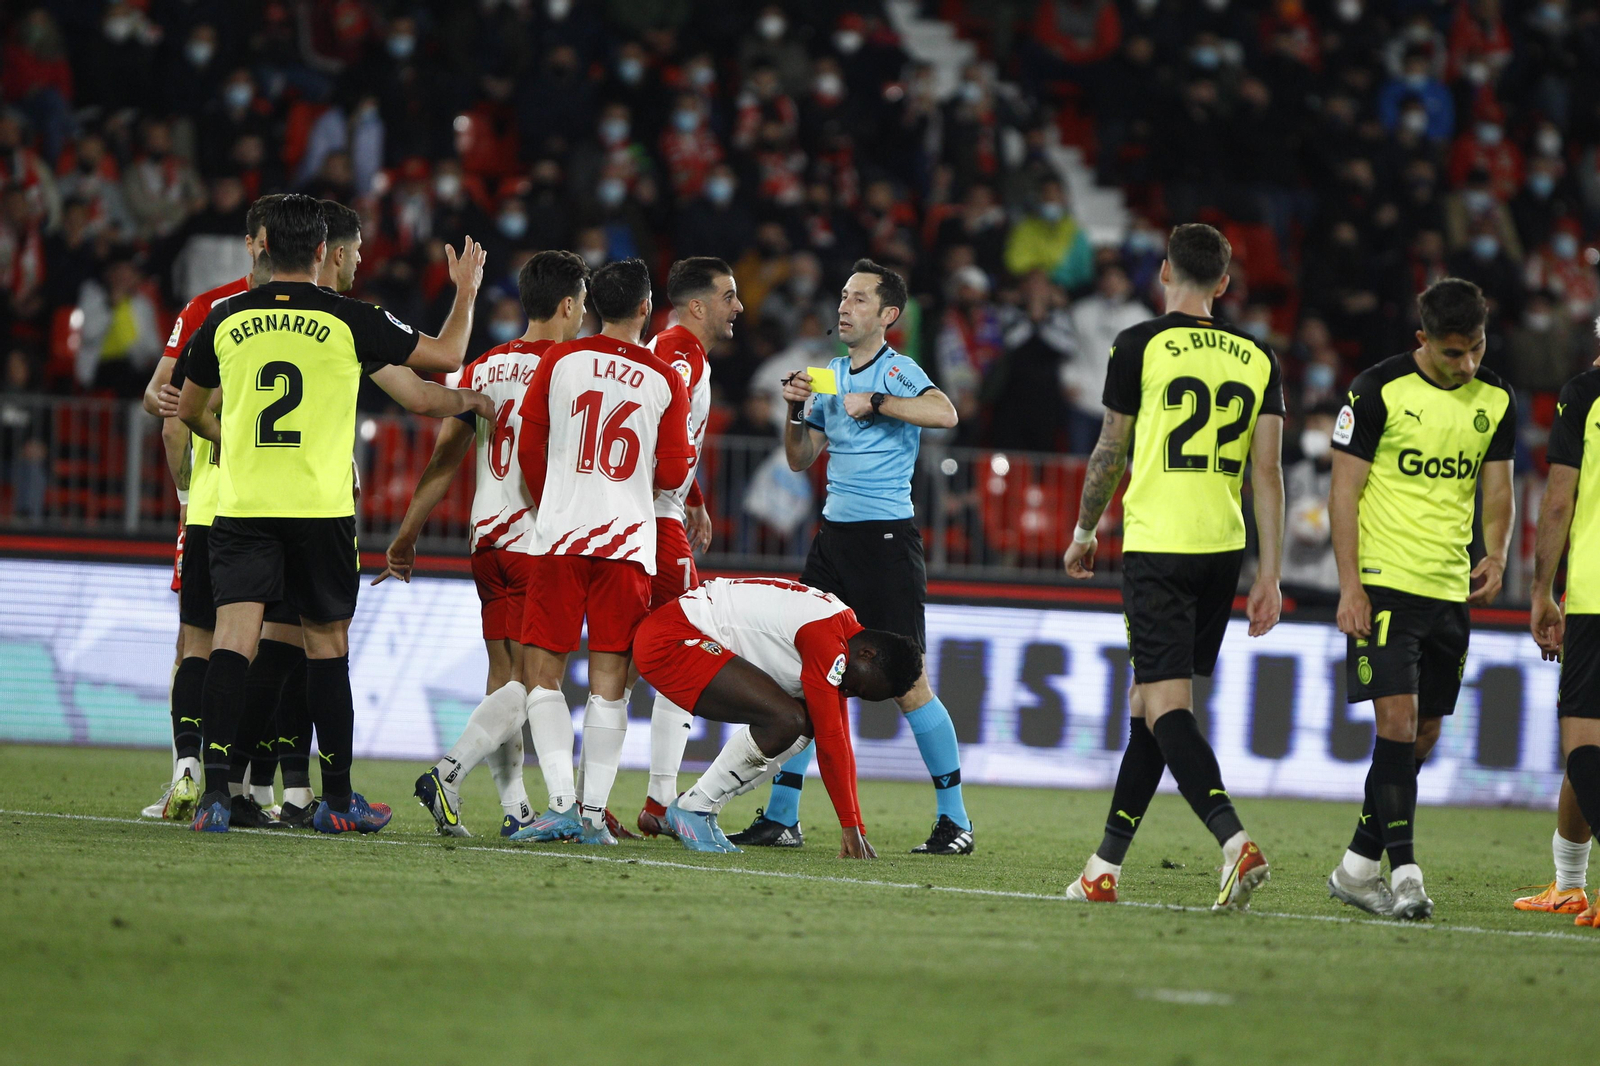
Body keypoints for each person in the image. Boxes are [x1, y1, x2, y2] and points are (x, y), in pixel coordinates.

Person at [175, 193, 486, 833]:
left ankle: (214, 797)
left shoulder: (225, 317)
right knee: (326, 646)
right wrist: (465, 291)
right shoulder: (349, 319)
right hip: (318, 510)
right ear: (323, 252)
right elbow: (448, 357)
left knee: (232, 643)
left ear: (262, 247)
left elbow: (187, 410)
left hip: (244, 507)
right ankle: (337, 801)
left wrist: (230, 443)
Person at [1061, 223, 1285, 911]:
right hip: (1223, 546)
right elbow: (1268, 472)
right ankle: (1103, 868)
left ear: (1164, 273)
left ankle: (1234, 842)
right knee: (1149, 707)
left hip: (1160, 543)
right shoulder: (1258, 355)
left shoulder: (1139, 343)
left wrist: (1083, 528)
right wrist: (1268, 575)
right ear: (1223, 283)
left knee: (1164, 705)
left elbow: (1110, 448)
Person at [751, 258, 971, 855]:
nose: (844, 307)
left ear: (888, 315)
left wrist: (876, 400)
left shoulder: (899, 372)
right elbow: (801, 458)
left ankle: (955, 822)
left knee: (908, 684)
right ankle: (782, 815)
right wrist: (795, 410)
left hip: (884, 545)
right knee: (804, 676)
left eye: (859, 299)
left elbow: (946, 413)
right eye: (843, 297)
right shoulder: (829, 374)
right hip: (833, 541)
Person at [378, 250, 590, 838]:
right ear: (569, 305)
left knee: (505, 680)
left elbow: (445, 458)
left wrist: (406, 534)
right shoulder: (572, 367)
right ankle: (449, 773)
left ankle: (515, 807)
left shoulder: (483, 367)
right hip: (537, 542)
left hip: (486, 540)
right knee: (536, 682)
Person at [1327, 277, 1516, 920]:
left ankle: (1356, 866)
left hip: (1448, 585)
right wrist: (1349, 585)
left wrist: (1496, 550)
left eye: (1476, 350)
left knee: (1425, 734)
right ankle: (1404, 874)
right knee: (1397, 724)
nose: (1467, 366)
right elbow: (1343, 493)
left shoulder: (1496, 399)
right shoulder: (1376, 390)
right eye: (1453, 353)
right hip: (1385, 582)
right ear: (1423, 340)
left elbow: (1496, 490)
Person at [508, 258, 694, 846]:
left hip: (560, 536)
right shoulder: (667, 378)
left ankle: (560, 802)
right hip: (628, 543)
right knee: (611, 677)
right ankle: (592, 815)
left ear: (591, 306)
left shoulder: (560, 360)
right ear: (646, 309)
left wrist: (552, 502)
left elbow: (530, 443)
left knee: (543, 672)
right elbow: (670, 473)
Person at [139, 193, 278, 824]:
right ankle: (228, 782)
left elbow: (166, 409)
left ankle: (199, 774)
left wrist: (189, 495)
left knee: (207, 645)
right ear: (250, 243)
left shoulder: (217, 310)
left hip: (217, 505)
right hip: (257, 502)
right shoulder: (212, 307)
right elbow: (159, 401)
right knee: (256, 644)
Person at [633, 577, 920, 856]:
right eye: (858, 688)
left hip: (683, 634)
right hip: (671, 639)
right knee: (786, 719)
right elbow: (832, 744)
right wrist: (848, 827)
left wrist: (857, 825)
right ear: (867, 654)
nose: (849, 692)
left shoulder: (841, 632)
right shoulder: (829, 640)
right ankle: (692, 807)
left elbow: (838, 739)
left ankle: (703, 810)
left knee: (805, 722)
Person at [632, 257, 741, 838]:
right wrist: (676, 492)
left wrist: (693, 493)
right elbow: (658, 428)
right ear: (697, 306)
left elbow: (670, 429)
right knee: (685, 652)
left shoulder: (670, 346)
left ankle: (606, 801)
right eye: (729, 296)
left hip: (653, 514)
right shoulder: (679, 350)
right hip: (652, 521)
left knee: (621, 665)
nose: (738, 307)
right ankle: (658, 802)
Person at [1529, 350, 1600, 928]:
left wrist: (1541, 591)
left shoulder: (1585, 393)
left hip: (1598, 593)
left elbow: (1558, 503)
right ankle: (1570, 885)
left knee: (1582, 743)